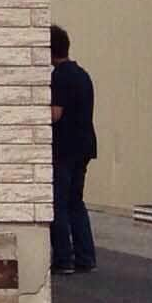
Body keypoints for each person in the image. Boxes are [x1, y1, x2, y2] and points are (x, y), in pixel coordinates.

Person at [49, 24, 98, 276]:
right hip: (84, 145)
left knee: (57, 204)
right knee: (76, 201)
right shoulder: (82, 74)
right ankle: (86, 256)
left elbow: (56, 113)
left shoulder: (59, 76)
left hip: (64, 147)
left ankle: (63, 259)